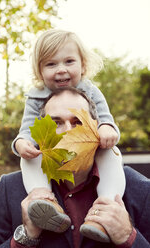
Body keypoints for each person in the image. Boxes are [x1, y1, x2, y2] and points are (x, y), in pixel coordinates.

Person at [0, 87, 150, 248]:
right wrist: (26, 236)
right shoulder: (11, 189)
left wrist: (128, 236)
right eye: (56, 123)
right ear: (41, 134)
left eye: (78, 121)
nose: (68, 131)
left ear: (96, 128)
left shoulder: (140, 191)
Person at [11, 29, 125, 242]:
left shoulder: (90, 91)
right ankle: (44, 200)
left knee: (112, 154)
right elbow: (27, 127)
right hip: (52, 155)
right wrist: (22, 142)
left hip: (93, 148)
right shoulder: (36, 97)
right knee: (31, 159)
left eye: (69, 61)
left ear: (83, 65)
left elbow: (104, 116)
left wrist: (107, 128)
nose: (61, 70)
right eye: (51, 64)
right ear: (39, 71)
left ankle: (104, 210)